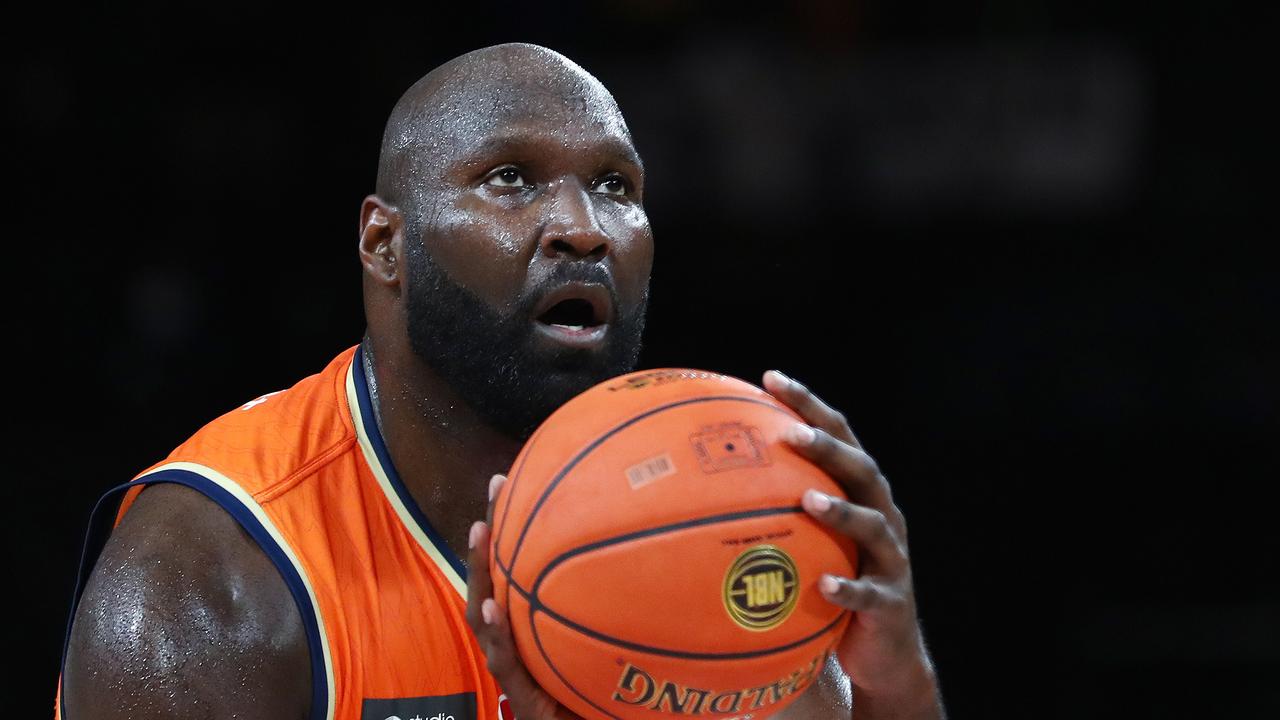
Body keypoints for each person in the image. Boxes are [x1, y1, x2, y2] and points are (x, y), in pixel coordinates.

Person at [57, 43, 945, 720]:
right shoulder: (209, 582)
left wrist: (895, 687)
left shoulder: (729, 532)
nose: (583, 227)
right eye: (511, 179)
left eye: (614, 185)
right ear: (384, 245)